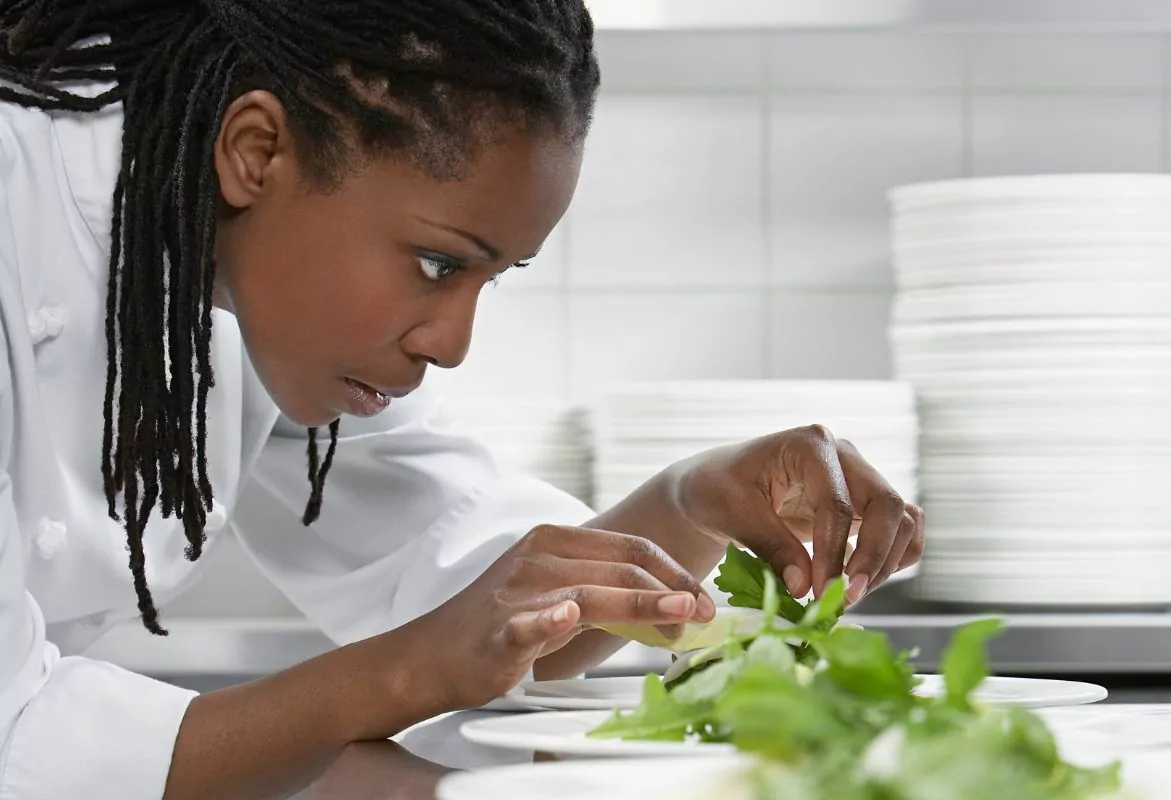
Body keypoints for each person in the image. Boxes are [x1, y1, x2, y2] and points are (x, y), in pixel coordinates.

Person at [0, 2, 924, 798]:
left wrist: (692, 498)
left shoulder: (241, 263)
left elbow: (470, 594)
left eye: (493, 277)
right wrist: (404, 675)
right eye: (439, 264)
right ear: (257, 150)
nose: (452, 343)